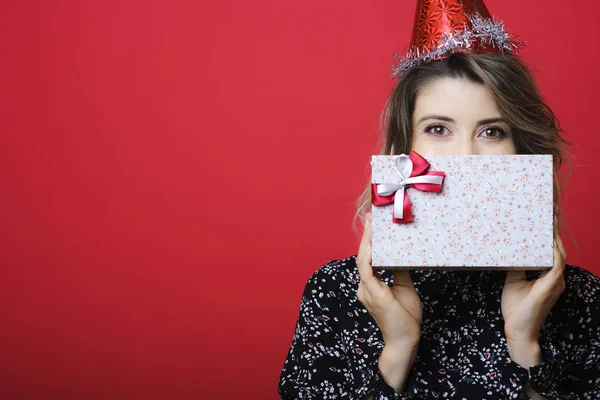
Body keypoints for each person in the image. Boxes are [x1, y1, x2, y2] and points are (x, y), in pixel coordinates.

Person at [277, 1, 600, 399]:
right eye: (437, 128)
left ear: (522, 150)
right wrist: (397, 348)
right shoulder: (339, 291)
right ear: (403, 147)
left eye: (492, 132)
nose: (465, 156)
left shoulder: (579, 298)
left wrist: (524, 342)